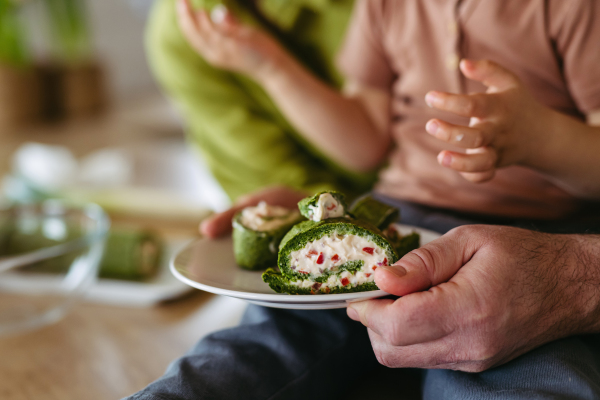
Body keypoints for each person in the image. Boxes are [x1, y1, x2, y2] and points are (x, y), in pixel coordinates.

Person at [126, 0, 600, 398]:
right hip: (397, 218)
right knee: (264, 343)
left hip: (534, 242)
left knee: (525, 367)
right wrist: (268, 66)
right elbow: (365, 142)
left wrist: (542, 139)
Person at [145, 0, 375, 202]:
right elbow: (277, 180)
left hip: (400, 197)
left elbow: (372, 145)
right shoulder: (181, 32)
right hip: (327, 223)